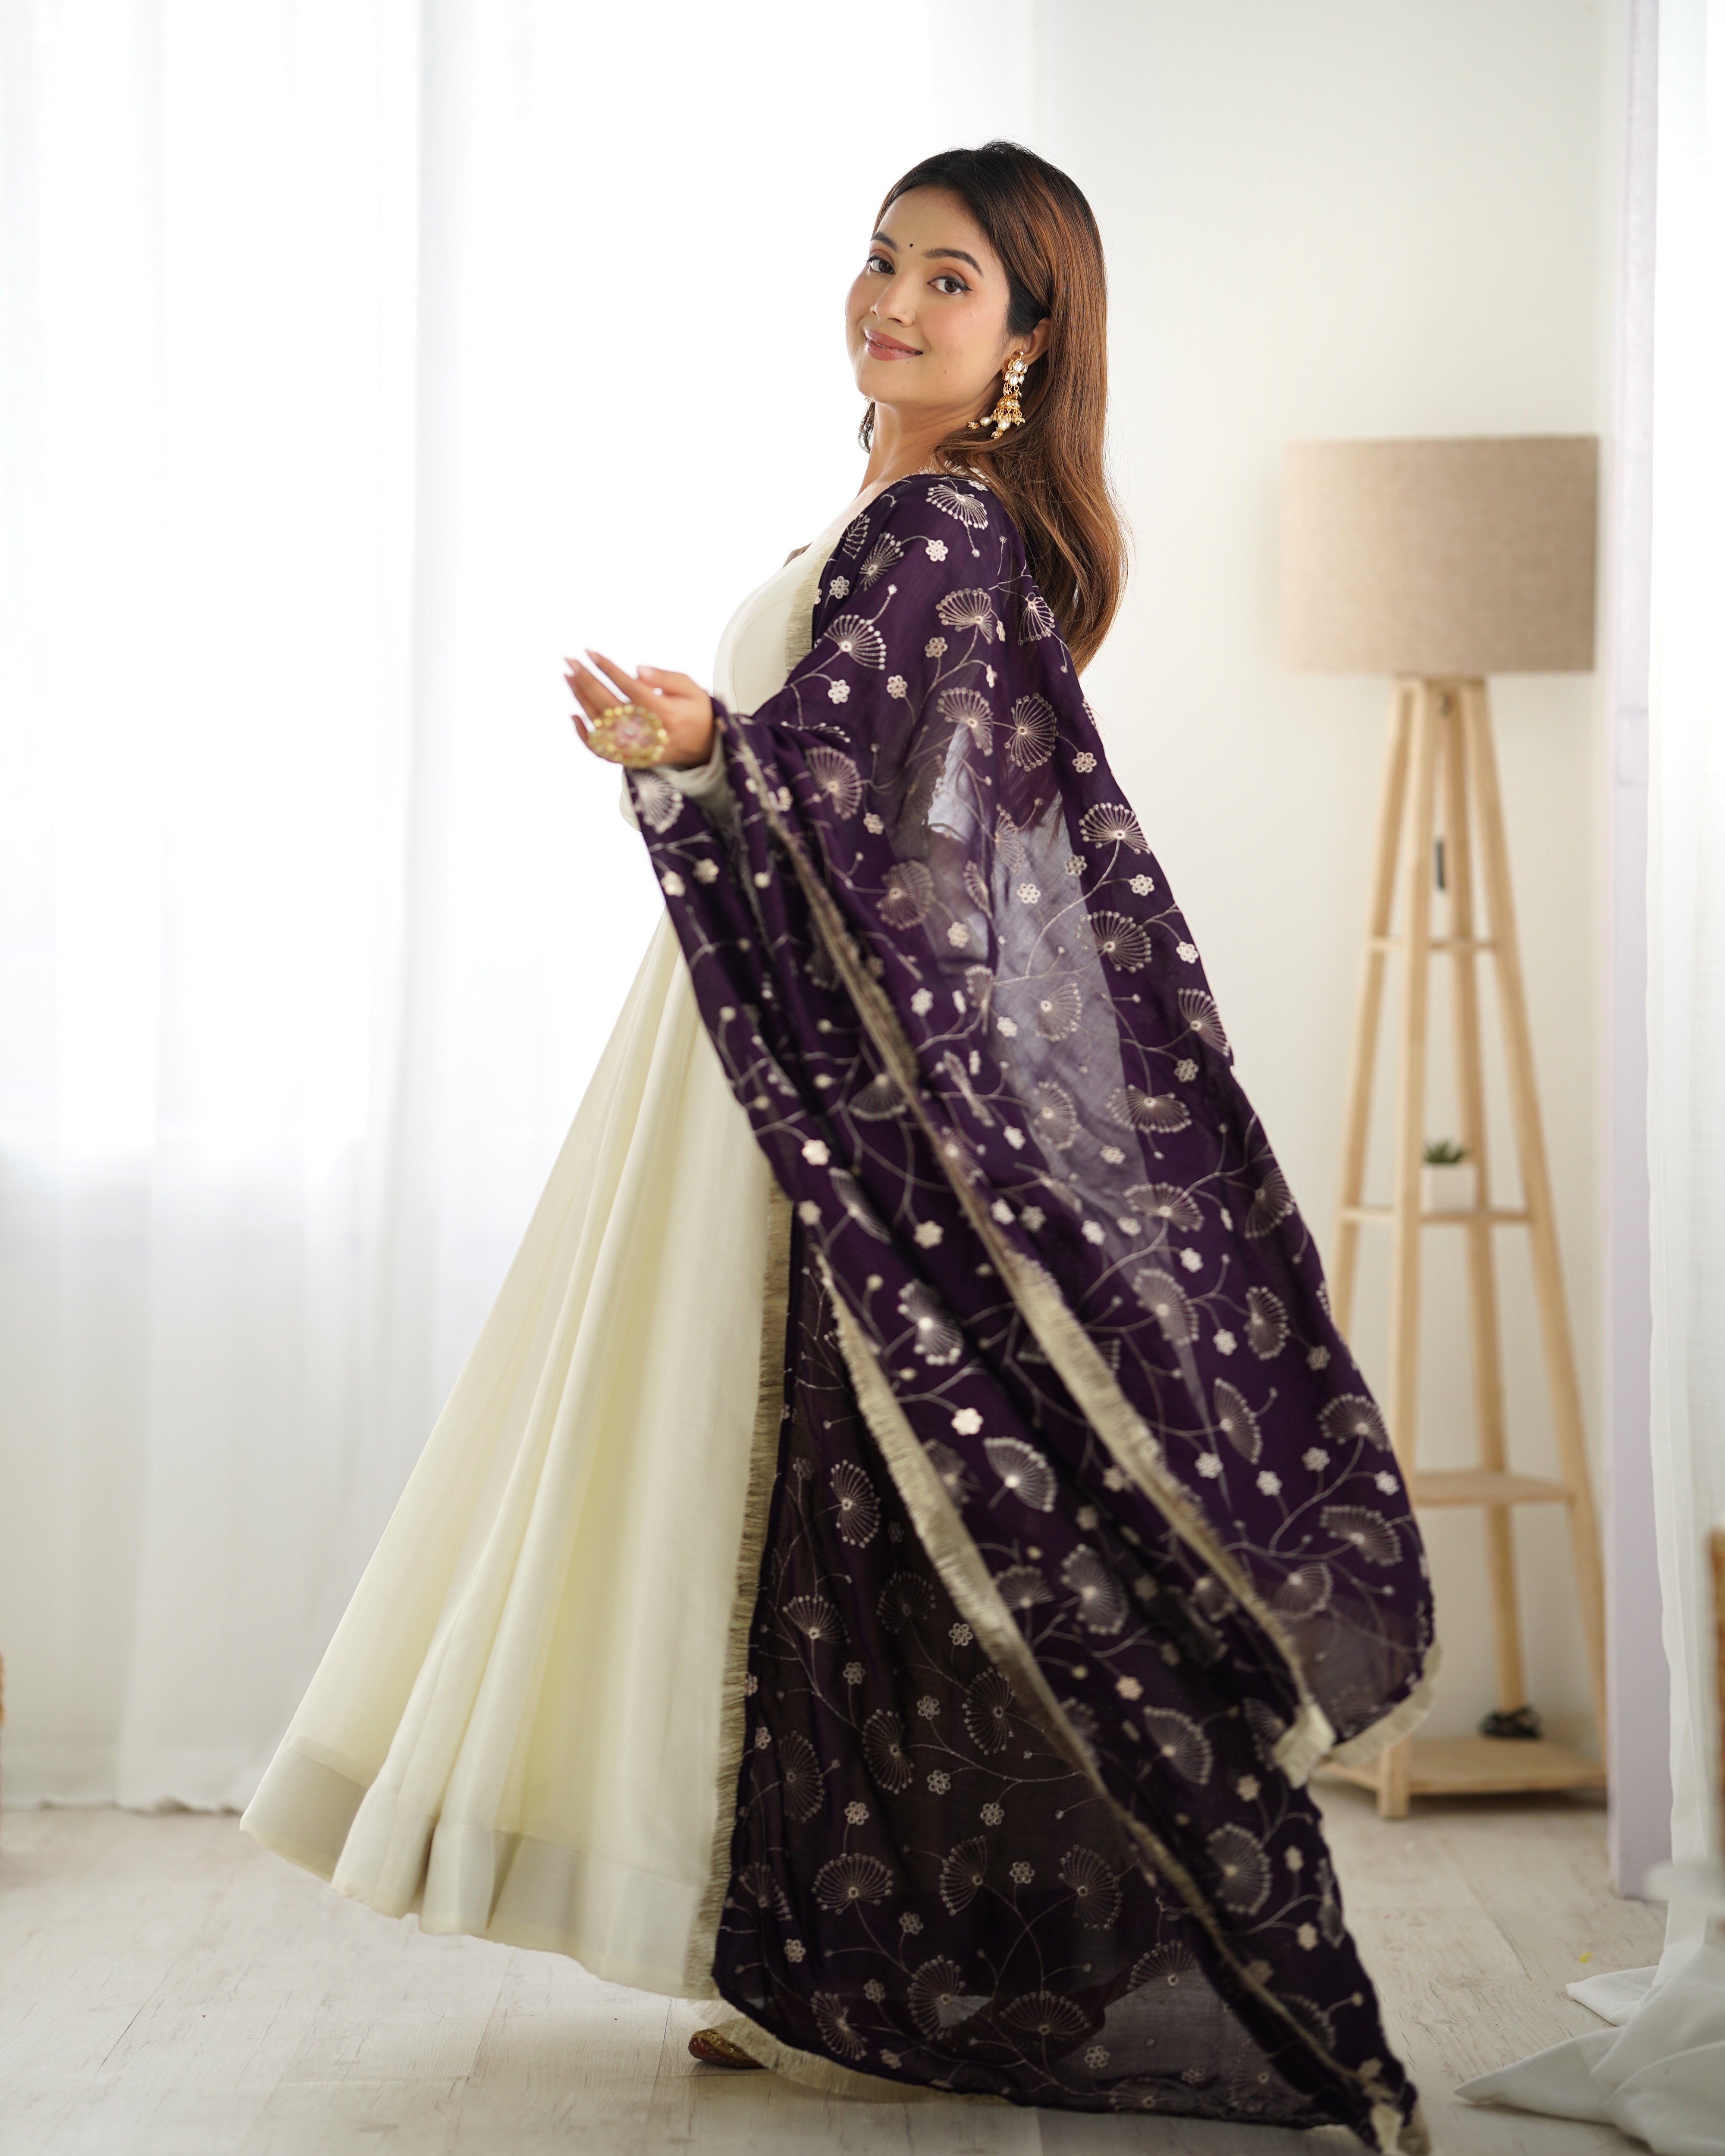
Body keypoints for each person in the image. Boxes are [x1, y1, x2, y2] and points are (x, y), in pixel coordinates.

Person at [244, 143, 1435, 2151]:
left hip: (825, 1077)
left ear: (1025, 339)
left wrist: (716, 742)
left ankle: (907, 1964)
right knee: (817, 1509)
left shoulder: (942, 529)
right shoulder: (895, 515)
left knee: (857, 1511)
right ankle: (840, 1953)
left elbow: (872, 776)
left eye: (948, 279)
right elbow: (865, 779)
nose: (891, 300)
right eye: (884, 259)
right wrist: (711, 753)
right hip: (763, 1040)